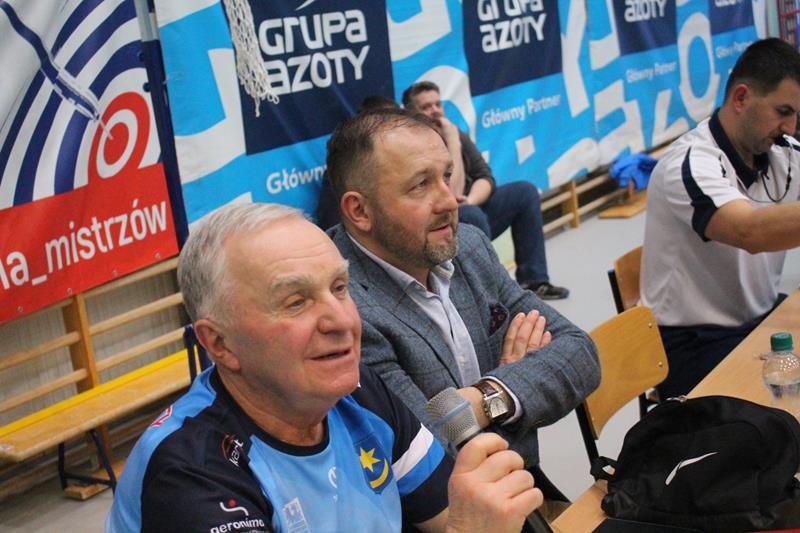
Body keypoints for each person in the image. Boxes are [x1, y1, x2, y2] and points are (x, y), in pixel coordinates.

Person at [106, 203, 542, 532]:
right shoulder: (189, 475)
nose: (343, 322)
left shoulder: (357, 391)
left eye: (339, 287)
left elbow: (444, 514)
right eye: (296, 302)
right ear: (220, 343)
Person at [325, 108, 600, 507]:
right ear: (360, 211)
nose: (450, 200)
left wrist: (487, 396)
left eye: (447, 176)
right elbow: (439, 466)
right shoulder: (342, 309)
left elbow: (581, 352)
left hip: (520, 487)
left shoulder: (469, 247)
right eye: (421, 185)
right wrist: (513, 384)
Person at [641, 38, 800, 398]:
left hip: (756, 318)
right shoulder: (690, 163)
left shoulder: (784, 153)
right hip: (690, 343)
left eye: (796, 115)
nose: (790, 127)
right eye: (783, 111)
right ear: (741, 98)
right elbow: (749, 232)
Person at [402, 81, 569, 300]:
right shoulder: (417, 147)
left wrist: (471, 199)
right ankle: (493, 296)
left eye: (438, 104)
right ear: (411, 113)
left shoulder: (453, 131)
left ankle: (534, 280)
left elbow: (485, 176)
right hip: (442, 219)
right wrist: (452, 143)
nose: (435, 111)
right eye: (426, 107)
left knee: (525, 192)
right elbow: (451, 192)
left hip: (470, 205)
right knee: (472, 215)